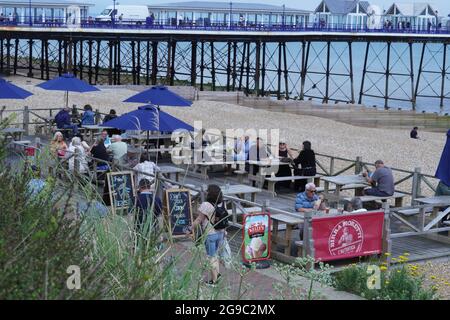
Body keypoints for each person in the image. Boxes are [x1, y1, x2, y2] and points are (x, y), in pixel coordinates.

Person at [191, 201, 224, 285]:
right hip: (220, 233)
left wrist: (189, 229)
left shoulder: (206, 204)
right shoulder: (222, 203)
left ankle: (214, 281)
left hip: (210, 234)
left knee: (211, 257)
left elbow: (199, 219)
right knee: (215, 255)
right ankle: (217, 274)